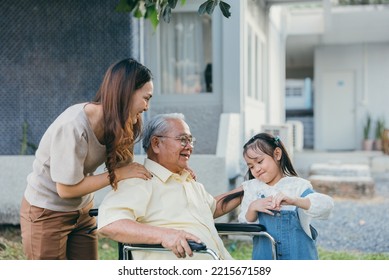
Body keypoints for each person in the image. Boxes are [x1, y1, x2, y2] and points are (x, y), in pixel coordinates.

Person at [19, 58, 154, 260]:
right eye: (146, 98)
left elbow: (127, 171)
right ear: (126, 94)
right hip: (46, 213)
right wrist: (116, 174)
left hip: (83, 212)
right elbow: (65, 189)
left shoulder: (120, 123)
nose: (146, 106)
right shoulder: (73, 126)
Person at [97, 113, 242, 260]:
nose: (190, 146)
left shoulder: (187, 180)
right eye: (183, 140)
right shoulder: (140, 180)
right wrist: (165, 235)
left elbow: (212, 208)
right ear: (156, 144)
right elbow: (110, 223)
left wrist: (246, 190)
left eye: (191, 140)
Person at [222, 132, 334, 260]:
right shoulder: (252, 188)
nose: (256, 169)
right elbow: (246, 224)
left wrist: (295, 201)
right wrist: (253, 208)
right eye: (251, 166)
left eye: (259, 161)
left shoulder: (297, 186)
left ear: (277, 154)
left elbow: (326, 207)